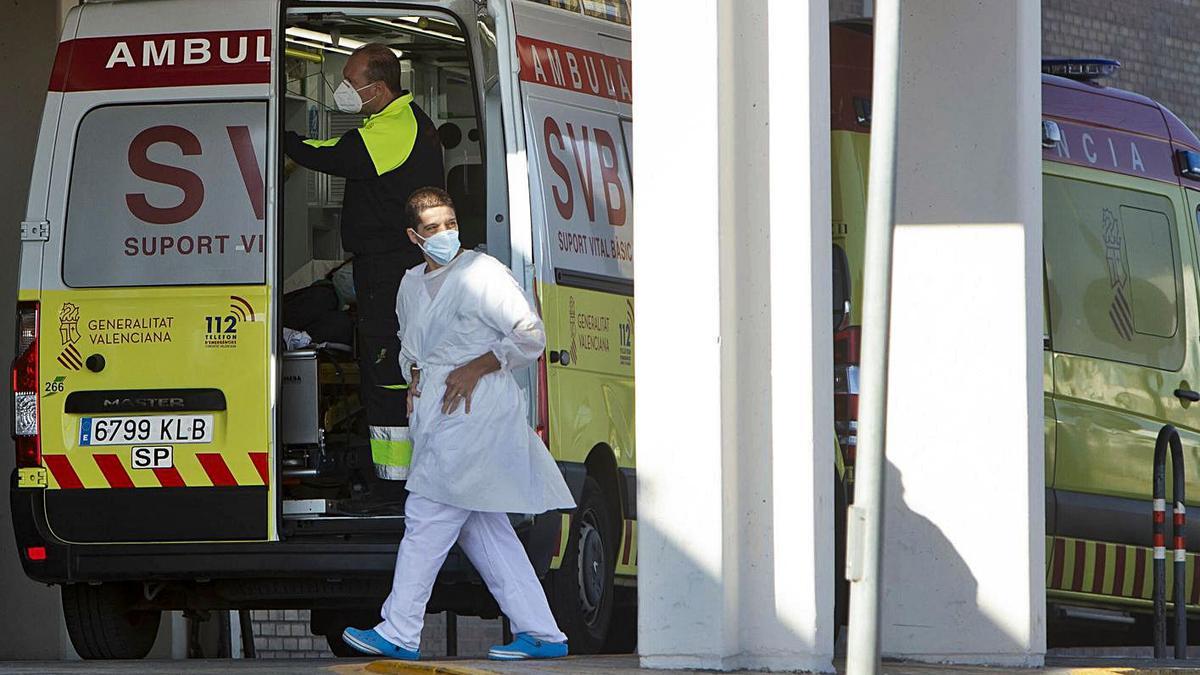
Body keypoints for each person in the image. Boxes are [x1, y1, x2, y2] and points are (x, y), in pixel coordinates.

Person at [342, 188, 575, 661]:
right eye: (432, 228)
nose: (445, 233)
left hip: (479, 412)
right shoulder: (410, 284)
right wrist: (412, 378)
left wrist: (480, 364)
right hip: (435, 412)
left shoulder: (483, 274)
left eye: (450, 223)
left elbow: (531, 335)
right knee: (485, 529)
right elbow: (411, 344)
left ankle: (400, 630)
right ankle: (543, 633)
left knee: (426, 516)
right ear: (414, 236)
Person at [284, 43, 444, 473]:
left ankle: (393, 480)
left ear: (379, 85)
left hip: (390, 269)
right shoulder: (396, 122)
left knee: (386, 368)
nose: (343, 89)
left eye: (351, 82)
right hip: (391, 266)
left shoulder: (396, 126)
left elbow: (337, 153)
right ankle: (397, 476)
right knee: (390, 364)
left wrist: (286, 141)